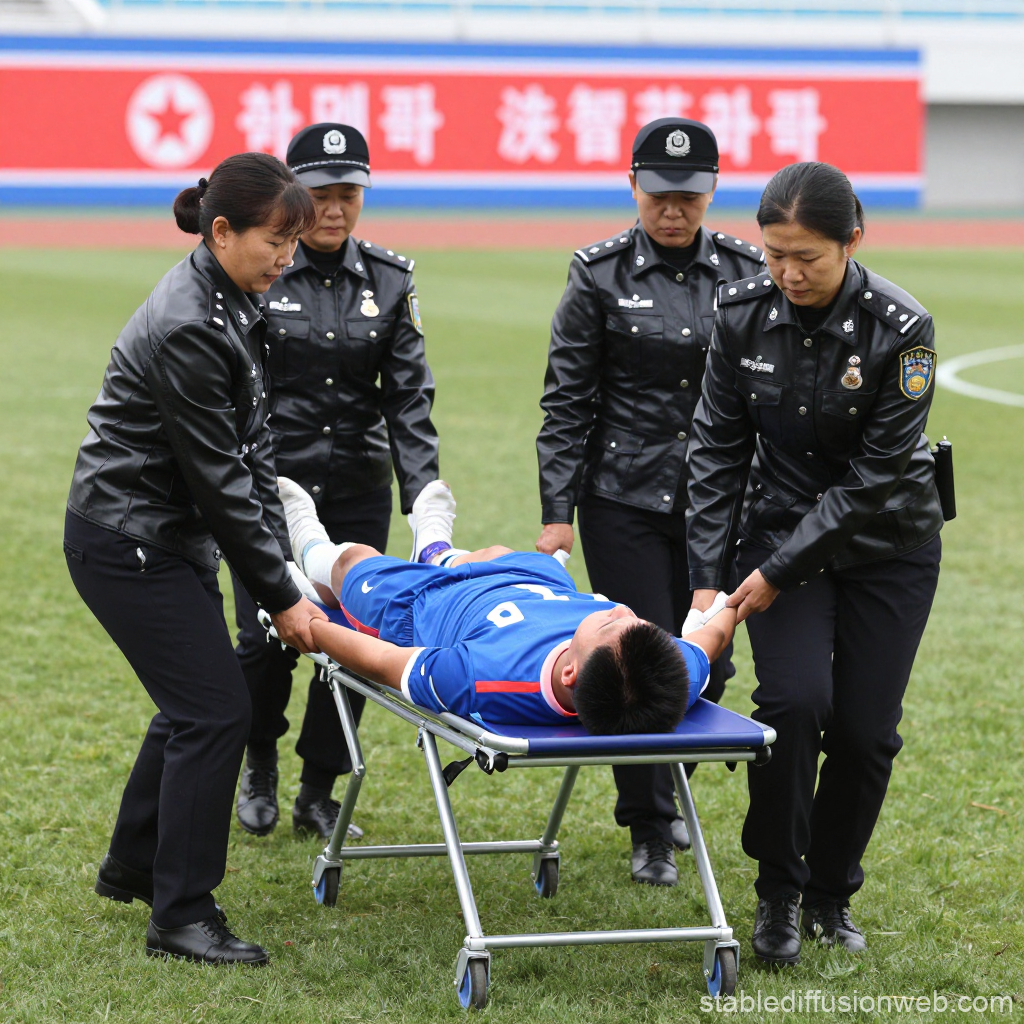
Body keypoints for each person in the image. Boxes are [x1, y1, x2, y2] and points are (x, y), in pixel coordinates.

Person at [64, 153, 328, 966]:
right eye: (277, 240)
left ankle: (135, 866)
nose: (287, 258)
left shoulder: (232, 297)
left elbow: (249, 450)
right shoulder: (190, 322)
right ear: (222, 232)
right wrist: (283, 596)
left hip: (160, 535)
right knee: (216, 711)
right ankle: (181, 914)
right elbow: (217, 483)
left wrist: (287, 560)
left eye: (294, 242)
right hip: (127, 539)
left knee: (192, 701)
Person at [685, 162, 944, 966]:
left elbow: (872, 480)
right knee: (794, 705)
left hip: (887, 545)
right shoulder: (739, 315)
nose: (789, 273)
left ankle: (831, 892)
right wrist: (707, 579)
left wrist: (765, 580)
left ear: (853, 242)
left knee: (866, 734)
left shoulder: (902, 329)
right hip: (779, 535)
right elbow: (716, 451)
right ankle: (777, 892)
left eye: (809, 258)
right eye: (773, 255)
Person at [535, 118, 765, 886]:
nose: (674, 209)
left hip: (718, 501)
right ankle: (651, 828)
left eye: (689, 196)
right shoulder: (597, 274)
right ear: (634, 187)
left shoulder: (744, 272)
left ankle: (668, 794)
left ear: (711, 192)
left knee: (712, 662)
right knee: (634, 658)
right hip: (622, 497)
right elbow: (567, 399)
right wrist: (556, 511)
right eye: (660, 195)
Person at [232, 122, 440, 842]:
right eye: (318, 194)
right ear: (291, 195)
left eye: (347, 194)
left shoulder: (391, 279)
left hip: (355, 491)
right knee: (263, 640)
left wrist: (423, 502)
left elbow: (408, 399)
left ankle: (318, 789)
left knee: (347, 640)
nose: (333, 209)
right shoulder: (263, 270)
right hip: (268, 492)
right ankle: (257, 762)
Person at [275, 477, 738, 731]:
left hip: (422, 607)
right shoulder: (664, 669)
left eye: (611, 625)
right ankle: (434, 550)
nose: (624, 610)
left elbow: (385, 662)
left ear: (571, 673)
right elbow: (710, 636)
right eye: (641, 623)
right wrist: (737, 600)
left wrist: (310, 626)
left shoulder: (486, 679)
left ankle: (309, 545)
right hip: (539, 585)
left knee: (355, 559)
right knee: (496, 554)